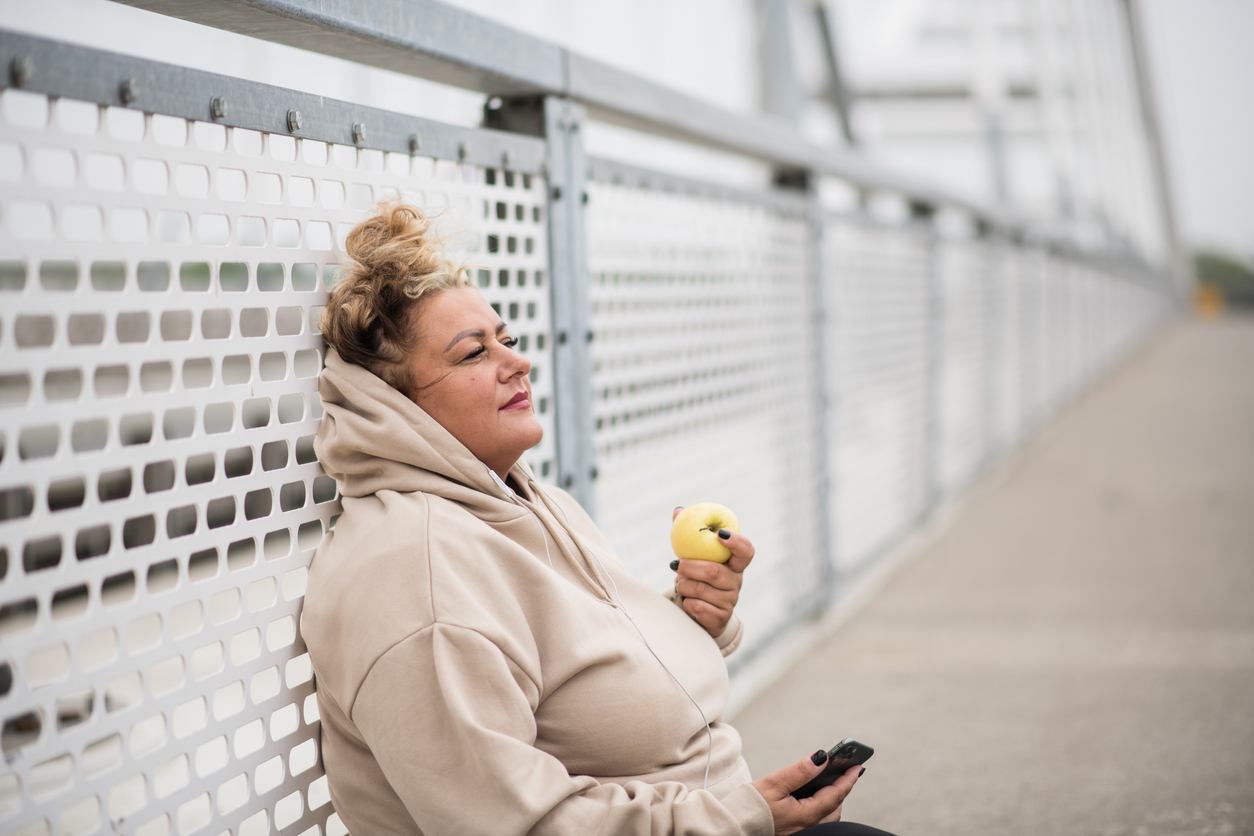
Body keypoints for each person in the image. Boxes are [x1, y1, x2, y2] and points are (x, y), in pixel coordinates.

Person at [301, 202, 893, 835]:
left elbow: (581, 675)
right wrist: (744, 816)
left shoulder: (531, 502)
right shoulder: (413, 576)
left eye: (508, 340)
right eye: (474, 354)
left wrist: (695, 617)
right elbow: (517, 825)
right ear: (395, 404)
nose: (516, 362)